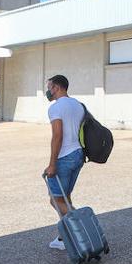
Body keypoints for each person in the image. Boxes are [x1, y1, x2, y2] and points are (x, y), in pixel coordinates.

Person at [42, 74, 87, 251]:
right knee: (65, 197)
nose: (48, 90)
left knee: (55, 200)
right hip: (78, 154)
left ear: (57, 88)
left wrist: (52, 163)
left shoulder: (56, 108)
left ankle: (83, 226)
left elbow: (57, 136)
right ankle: (64, 238)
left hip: (64, 157)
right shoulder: (78, 105)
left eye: (50, 87)